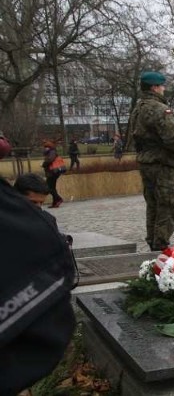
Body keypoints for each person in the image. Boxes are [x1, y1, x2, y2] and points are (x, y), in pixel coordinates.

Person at [0, 139, 77, 395]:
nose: (38, 212)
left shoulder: (45, 224)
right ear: (16, 198)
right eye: (32, 205)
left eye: (41, 205)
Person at [127, 71, 174, 252]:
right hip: (162, 164)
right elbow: (173, 138)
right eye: (162, 86)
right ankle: (160, 245)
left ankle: (153, 241)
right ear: (155, 87)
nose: (164, 89)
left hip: (146, 163)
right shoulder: (159, 109)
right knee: (169, 206)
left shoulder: (138, 109)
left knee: (153, 205)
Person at [41, 141, 65, 208]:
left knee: (48, 187)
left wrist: (43, 164)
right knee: (52, 188)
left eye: (46, 147)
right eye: (45, 147)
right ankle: (55, 203)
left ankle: (58, 199)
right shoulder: (50, 152)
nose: (45, 148)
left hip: (53, 172)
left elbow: (50, 160)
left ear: (49, 147)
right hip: (52, 172)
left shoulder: (52, 152)